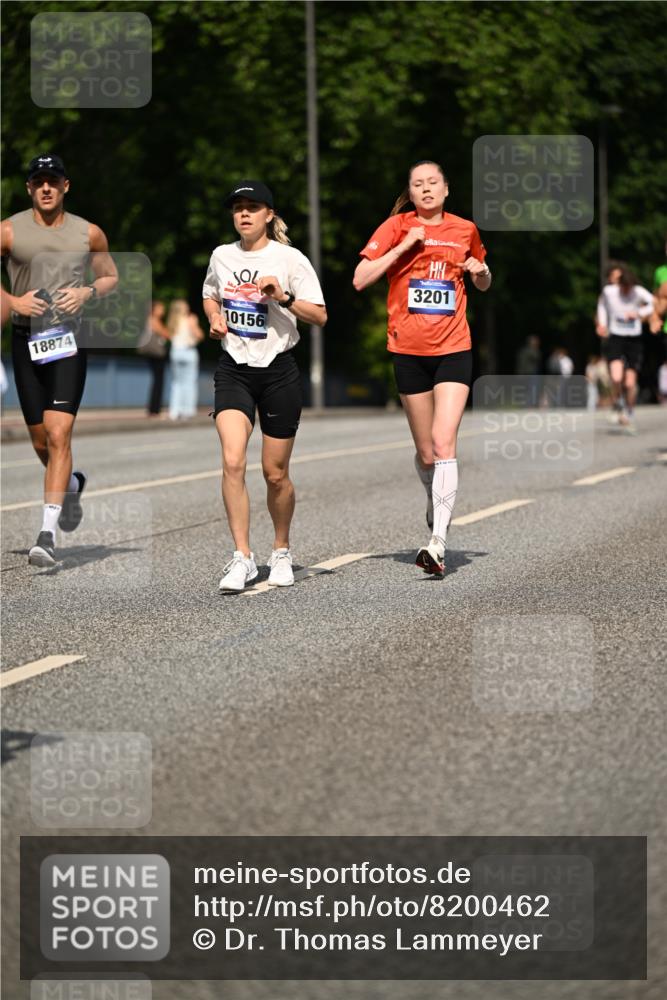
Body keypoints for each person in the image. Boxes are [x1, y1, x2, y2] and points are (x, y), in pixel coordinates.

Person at [353, 160, 491, 576]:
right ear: (410, 193)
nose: (426, 189)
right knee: (427, 453)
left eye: (433, 183)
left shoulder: (465, 229)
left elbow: (483, 279)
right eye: (418, 184)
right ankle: (435, 500)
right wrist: (404, 246)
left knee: (444, 442)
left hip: (454, 347)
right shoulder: (395, 227)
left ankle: (438, 542)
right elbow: (360, 279)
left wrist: (480, 271)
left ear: (446, 189)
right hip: (408, 351)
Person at [202, 180, 326, 592]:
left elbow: (320, 316)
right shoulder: (221, 256)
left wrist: (283, 297)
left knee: (275, 474)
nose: (244, 214)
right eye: (237, 207)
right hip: (234, 368)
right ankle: (242, 557)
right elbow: (210, 294)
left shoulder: (290, 258)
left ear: (269, 215)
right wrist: (214, 318)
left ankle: (281, 550)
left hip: (278, 371)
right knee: (233, 461)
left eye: (252, 207)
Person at [0, 153, 118, 567]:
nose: (46, 187)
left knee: (58, 433)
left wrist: (87, 292)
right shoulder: (10, 231)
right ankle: (70, 483)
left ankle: (46, 535)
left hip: (68, 340)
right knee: (40, 440)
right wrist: (14, 300)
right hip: (24, 340)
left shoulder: (89, 233)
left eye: (53, 180)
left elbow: (109, 276)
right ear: (29, 188)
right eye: (39, 181)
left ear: (65, 186)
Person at [596, 264, 654, 429]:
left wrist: (639, 313)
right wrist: (602, 323)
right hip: (616, 336)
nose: (626, 292)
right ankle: (618, 403)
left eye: (628, 288)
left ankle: (629, 411)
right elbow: (602, 306)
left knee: (629, 383)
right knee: (615, 376)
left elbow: (654, 303)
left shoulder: (639, 291)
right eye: (623, 288)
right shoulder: (609, 292)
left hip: (634, 339)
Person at [167, 299, 203, 420]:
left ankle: (174, 411)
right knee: (190, 382)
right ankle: (188, 410)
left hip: (175, 352)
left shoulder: (172, 321)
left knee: (177, 382)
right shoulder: (190, 319)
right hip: (189, 351)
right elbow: (199, 335)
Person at [138, 300, 170, 417]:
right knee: (158, 381)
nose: (163, 311)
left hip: (154, 354)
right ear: (154, 310)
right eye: (160, 308)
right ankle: (154, 410)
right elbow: (166, 334)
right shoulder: (154, 320)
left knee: (157, 380)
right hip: (156, 354)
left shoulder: (151, 320)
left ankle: (154, 409)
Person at [515, 335, 541, 406]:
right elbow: (536, 356)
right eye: (535, 341)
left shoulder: (523, 350)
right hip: (531, 372)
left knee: (528, 388)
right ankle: (530, 404)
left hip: (525, 372)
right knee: (532, 388)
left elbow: (520, 363)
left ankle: (527, 403)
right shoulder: (531, 350)